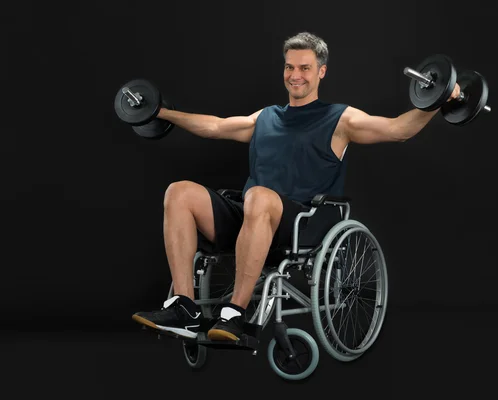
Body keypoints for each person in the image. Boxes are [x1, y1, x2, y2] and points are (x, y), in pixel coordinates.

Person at [132, 32, 461, 341]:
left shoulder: (340, 119)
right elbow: (216, 126)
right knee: (179, 192)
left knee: (259, 197)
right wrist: (160, 112)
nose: (295, 75)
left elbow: (396, 130)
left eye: (305, 67)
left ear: (321, 72)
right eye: (290, 67)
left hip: (302, 223)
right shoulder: (266, 116)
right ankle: (182, 306)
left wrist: (438, 100)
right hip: (250, 217)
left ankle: (234, 314)